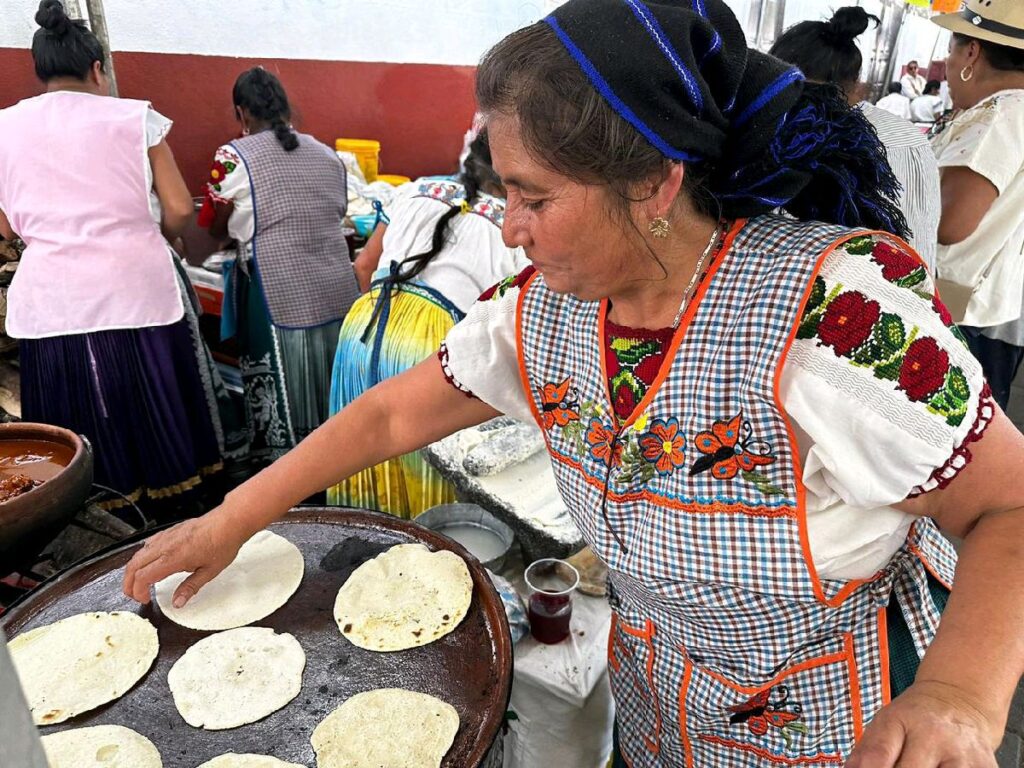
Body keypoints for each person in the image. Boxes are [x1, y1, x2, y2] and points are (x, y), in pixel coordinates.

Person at [125, 2, 1024, 766]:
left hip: (841, 720)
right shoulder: (543, 312)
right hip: (660, 700)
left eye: (534, 197)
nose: (508, 229)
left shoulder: (832, 318)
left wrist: (960, 695)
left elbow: (1010, 505)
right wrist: (234, 516)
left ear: (653, 184)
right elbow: (395, 409)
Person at [0, 0, 229, 507]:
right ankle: (175, 505)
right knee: (150, 398)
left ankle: (88, 504)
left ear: (39, 72)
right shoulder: (136, 119)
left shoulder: (4, 128)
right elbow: (177, 207)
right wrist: (162, 234)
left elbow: (7, 224)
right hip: (137, 286)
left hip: (51, 298)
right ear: (97, 68)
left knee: (72, 412)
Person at [330, 133, 526, 518]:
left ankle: (361, 543)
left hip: (361, 326)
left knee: (357, 449)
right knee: (426, 467)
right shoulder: (513, 227)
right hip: (433, 344)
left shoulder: (415, 190)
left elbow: (364, 266)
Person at [198, 68, 360, 460]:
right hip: (336, 285)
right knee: (329, 372)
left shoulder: (234, 157)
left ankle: (287, 466)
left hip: (276, 285)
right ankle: (337, 455)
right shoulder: (327, 154)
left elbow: (213, 224)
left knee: (279, 381)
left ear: (242, 112)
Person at [771, 7, 942, 271]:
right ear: (856, 82)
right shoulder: (911, 140)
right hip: (911, 290)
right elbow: (922, 237)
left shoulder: (769, 137)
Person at [930, 0, 1024, 412]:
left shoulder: (1000, 117)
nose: (946, 63)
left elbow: (951, 223)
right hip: (988, 314)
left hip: (957, 316)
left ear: (972, 52)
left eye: (952, 49)